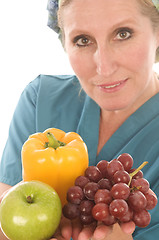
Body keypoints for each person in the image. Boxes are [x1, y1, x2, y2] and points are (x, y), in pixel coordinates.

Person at [0, 0, 159, 239]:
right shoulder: (40, 100)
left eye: (123, 34)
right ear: (64, 42)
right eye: (83, 40)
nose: (104, 67)